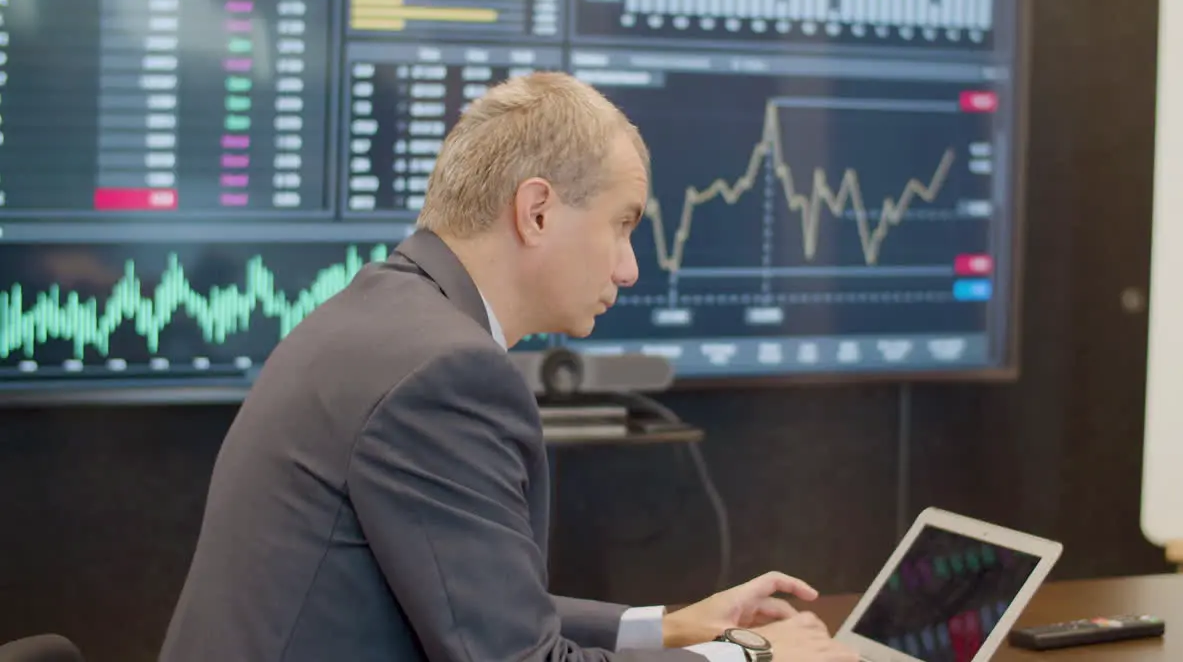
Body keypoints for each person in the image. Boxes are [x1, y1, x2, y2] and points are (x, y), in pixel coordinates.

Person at [159, 72, 859, 662]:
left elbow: (466, 594)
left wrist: (670, 626)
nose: (630, 265)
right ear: (537, 212)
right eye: (622, 223)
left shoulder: (379, 315)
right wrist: (751, 655)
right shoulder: (445, 375)